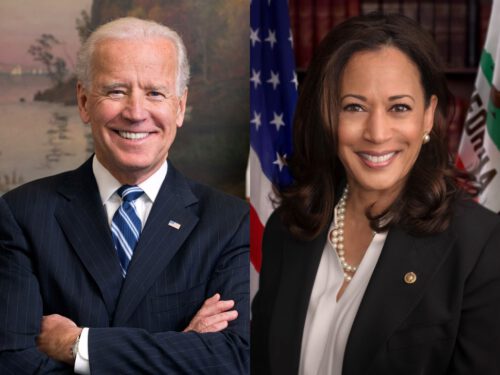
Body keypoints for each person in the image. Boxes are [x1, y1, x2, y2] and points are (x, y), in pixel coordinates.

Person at [251, 13, 500, 375]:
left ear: (428, 116)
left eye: (399, 108)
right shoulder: (286, 228)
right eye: (354, 107)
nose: (377, 132)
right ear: (328, 113)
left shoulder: (480, 245)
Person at [0, 17, 249, 374]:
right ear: (84, 102)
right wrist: (184, 347)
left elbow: (233, 359)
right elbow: (12, 363)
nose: (135, 112)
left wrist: (78, 345)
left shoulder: (231, 223)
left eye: (155, 93)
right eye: (116, 90)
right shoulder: (21, 214)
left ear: (179, 107)